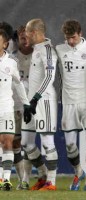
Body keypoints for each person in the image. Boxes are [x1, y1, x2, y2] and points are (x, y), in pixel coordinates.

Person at [56, 19, 86, 191]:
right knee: (69, 145)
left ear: (80, 34)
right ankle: (78, 171)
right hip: (68, 103)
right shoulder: (59, 50)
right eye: (67, 38)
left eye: (73, 37)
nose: (70, 41)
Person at [21, 18, 58, 191]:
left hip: (44, 102)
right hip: (32, 102)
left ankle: (51, 182)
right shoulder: (36, 50)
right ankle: (43, 174)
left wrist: (35, 98)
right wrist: (29, 102)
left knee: (47, 142)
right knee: (26, 143)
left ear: (35, 32)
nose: (24, 35)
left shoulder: (48, 50)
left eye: (27, 31)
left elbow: (49, 77)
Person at [0, 28, 31, 191]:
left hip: (6, 108)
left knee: (8, 142)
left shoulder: (11, 63)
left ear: (5, 44)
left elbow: (18, 84)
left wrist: (26, 104)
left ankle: (5, 179)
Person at [12, 25, 33, 190]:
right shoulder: (11, 58)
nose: (25, 41)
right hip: (15, 105)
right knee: (16, 144)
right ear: (18, 38)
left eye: (28, 38)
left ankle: (27, 178)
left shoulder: (39, 55)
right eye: (22, 38)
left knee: (28, 143)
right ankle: (21, 180)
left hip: (33, 106)